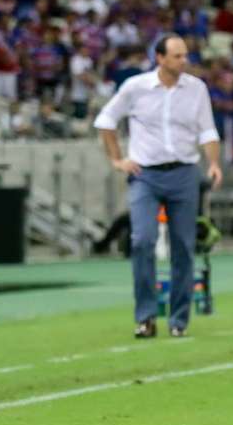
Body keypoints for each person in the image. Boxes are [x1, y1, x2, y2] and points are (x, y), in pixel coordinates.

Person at [94, 35, 222, 339]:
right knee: (141, 240)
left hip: (183, 173)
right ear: (160, 58)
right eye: (177, 56)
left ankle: (179, 320)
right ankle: (145, 317)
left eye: (185, 55)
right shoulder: (135, 87)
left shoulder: (196, 89)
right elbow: (105, 121)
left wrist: (213, 163)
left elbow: (207, 130)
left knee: (183, 247)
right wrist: (117, 160)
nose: (184, 61)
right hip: (144, 174)